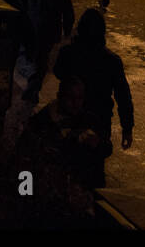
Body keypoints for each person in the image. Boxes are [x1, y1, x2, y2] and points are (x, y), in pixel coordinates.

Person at [53, 8, 134, 186]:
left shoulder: (68, 53)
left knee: (67, 162)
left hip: (70, 117)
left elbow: (57, 71)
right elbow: (123, 96)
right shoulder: (112, 61)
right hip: (100, 118)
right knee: (95, 165)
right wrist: (127, 127)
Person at [16, 75, 106, 213]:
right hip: (50, 203)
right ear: (60, 97)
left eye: (80, 98)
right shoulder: (40, 124)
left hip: (82, 200)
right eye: (71, 98)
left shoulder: (89, 121)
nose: (76, 103)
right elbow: (24, 162)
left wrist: (97, 144)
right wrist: (26, 198)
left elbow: (103, 154)